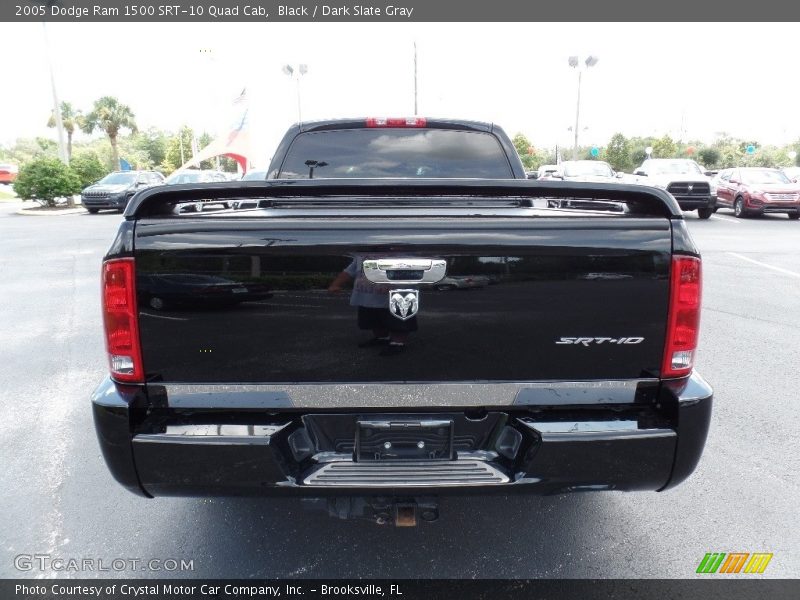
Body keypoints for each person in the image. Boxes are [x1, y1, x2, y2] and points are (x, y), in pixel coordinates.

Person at [328, 256, 417, 356]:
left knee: (398, 320)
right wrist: (335, 284)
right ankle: (382, 338)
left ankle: (398, 343)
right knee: (373, 319)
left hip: (394, 296)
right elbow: (349, 271)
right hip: (367, 296)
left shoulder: (402, 254)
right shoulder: (361, 256)